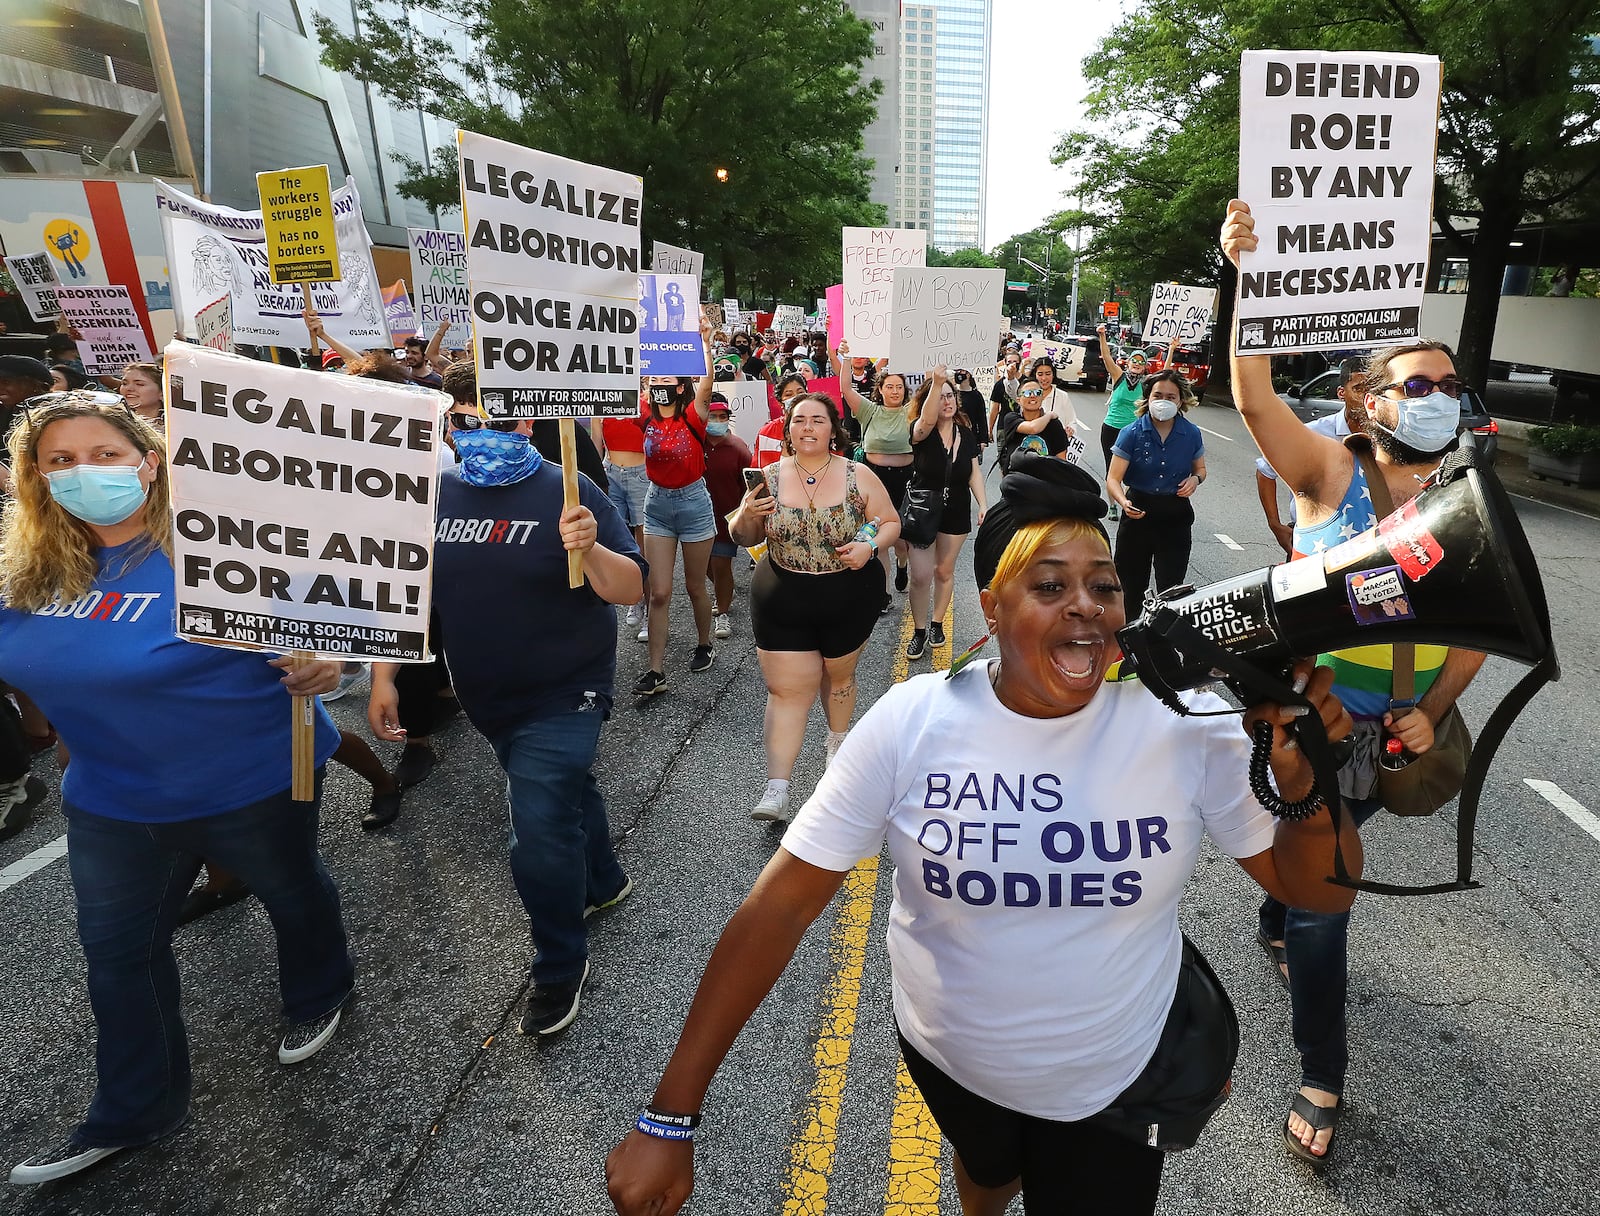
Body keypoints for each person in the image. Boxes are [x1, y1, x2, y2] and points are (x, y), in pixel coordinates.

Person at [606, 454, 1363, 1216]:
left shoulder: (1183, 722)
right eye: (1050, 585)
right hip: (949, 1061)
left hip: (1113, 1082)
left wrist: (1305, 788)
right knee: (988, 1169)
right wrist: (669, 1114)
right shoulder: (914, 721)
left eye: (1104, 585)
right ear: (992, 608)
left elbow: (1317, 892)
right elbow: (781, 907)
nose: (1086, 606)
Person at [0, 393, 353, 1185]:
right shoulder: (23, 569)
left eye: (105, 454)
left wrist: (325, 660)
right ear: (34, 477)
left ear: (148, 462)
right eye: (60, 461)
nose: (84, 472)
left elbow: (325, 616)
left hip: (254, 780)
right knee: (116, 958)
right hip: (113, 802)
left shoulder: (222, 542)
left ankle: (320, 990)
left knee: (292, 892)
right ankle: (135, 1107)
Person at [1222, 198, 1487, 1165]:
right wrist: (1245, 274)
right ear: (1373, 399)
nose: (1440, 396)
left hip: (1391, 731)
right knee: (1330, 891)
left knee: (1318, 866)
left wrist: (1432, 710)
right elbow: (1253, 402)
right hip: (1310, 723)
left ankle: (1277, 908)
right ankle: (1321, 1070)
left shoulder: (1469, 496)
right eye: (1420, 383)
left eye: (1451, 384)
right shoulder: (1331, 475)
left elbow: (1477, 628)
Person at [367, 400, 644, 1037]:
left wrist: (591, 547)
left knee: (538, 828)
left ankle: (557, 967)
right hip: (488, 694)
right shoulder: (429, 494)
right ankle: (603, 880)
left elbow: (631, 586)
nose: (481, 432)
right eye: (465, 420)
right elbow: (412, 593)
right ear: (448, 428)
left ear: (528, 420)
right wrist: (384, 677)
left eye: (499, 416)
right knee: (564, 791)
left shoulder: (569, 487)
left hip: (567, 690)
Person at [727, 393, 899, 822]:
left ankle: (837, 757)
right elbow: (742, 537)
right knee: (788, 690)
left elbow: (891, 521)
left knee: (838, 679)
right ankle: (777, 788)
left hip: (847, 594)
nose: (807, 427)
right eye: (798, 419)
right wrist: (747, 513)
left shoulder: (858, 475)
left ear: (832, 429)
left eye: (817, 420)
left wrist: (870, 546)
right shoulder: (765, 477)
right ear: (787, 429)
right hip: (782, 594)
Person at [632, 315, 719, 696]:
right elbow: (618, 384)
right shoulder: (643, 416)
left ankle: (704, 643)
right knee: (660, 592)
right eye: (655, 380)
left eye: (668, 380)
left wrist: (704, 343)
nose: (660, 385)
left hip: (694, 503)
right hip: (657, 506)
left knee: (695, 585)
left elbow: (707, 384)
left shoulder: (693, 416)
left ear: (681, 386)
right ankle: (655, 671)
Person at [1104, 370, 1206, 613]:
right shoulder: (1131, 433)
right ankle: (1130, 639)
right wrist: (1123, 503)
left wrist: (1195, 480)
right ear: (1147, 397)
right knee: (1130, 584)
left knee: (1171, 588)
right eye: (1158, 395)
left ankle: (1164, 642)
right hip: (1138, 512)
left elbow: (1200, 469)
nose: (1164, 401)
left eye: (1171, 397)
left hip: (1175, 515)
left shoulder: (1190, 433)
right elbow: (1113, 478)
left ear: (1181, 400)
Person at [903, 369, 987, 661]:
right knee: (921, 575)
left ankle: (937, 623)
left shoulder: (965, 433)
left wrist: (983, 504)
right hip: (923, 509)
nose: (947, 401)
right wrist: (937, 382)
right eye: (940, 397)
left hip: (956, 509)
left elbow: (973, 471)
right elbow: (925, 422)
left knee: (944, 571)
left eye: (950, 395)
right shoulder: (920, 431)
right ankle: (919, 630)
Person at [1254, 358, 1364, 559]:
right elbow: (1265, 470)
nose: (1367, 397)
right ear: (1341, 393)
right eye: (1359, 389)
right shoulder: (1314, 433)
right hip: (1312, 543)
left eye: (1375, 390)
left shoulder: (1389, 440)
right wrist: (1275, 524)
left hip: (1366, 545)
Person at [832, 340, 913, 605]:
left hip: (905, 479)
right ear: (880, 389)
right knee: (879, 540)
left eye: (899, 387)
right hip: (875, 478)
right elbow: (845, 388)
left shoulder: (912, 412)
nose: (894, 391)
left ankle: (903, 563)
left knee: (900, 540)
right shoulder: (869, 410)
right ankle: (884, 594)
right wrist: (846, 357)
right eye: (889, 386)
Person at [598, 393, 651, 636]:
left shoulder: (646, 401)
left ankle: (651, 612)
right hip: (611, 472)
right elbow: (597, 444)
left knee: (645, 544)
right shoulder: (600, 400)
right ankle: (636, 600)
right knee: (620, 541)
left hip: (641, 473)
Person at [702, 394, 752, 641]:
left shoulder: (739, 449)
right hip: (697, 518)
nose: (718, 421)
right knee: (705, 567)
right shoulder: (694, 444)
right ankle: (723, 592)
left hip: (726, 519)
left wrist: (743, 517)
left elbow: (748, 488)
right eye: (713, 416)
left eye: (723, 417)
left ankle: (723, 611)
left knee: (721, 566)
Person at [1094, 328, 1148, 520]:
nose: (1137, 364)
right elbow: (1107, 358)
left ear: (1145, 367)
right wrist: (1102, 335)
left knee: (1132, 468)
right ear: (1128, 363)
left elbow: (1165, 373)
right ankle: (1113, 506)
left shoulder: (1145, 384)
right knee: (1112, 469)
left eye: (1141, 362)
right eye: (1134, 360)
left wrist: (1172, 349)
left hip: (1132, 432)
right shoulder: (1119, 377)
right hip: (1110, 428)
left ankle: (1128, 502)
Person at [994, 381, 1072, 473]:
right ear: (1018, 400)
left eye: (1037, 392)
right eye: (1027, 393)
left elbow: (1061, 460)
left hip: (1044, 481)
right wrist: (1049, 415)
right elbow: (1033, 428)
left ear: (1042, 397)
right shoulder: (1011, 418)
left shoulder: (1054, 424)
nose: (1032, 396)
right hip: (1017, 479)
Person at [987, 352, 1024, 438]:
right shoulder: (1000, 384)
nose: (1012, 364)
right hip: (1003, 427)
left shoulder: (1026, 382)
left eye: (1015, 361)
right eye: (1009, 361)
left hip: (1022, 425)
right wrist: (990, 429)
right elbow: (995, 408)